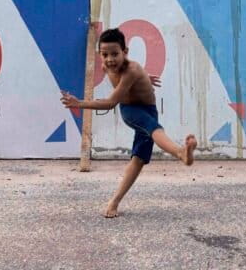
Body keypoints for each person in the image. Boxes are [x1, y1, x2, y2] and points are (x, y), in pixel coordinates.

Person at [60, 28, 197, 218]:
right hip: (131, 111)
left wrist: (143, 77)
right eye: (105, 55)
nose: (110, 60)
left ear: (125, 52)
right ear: (100, 55)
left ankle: (113, 203)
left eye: (115, 54)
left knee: (138, 160)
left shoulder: (132, 69)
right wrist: (79, 103)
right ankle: (180, 152)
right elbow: (112, 102)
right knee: (153, 128)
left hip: (148, 110)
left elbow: (117, 93)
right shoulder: (107, 67)